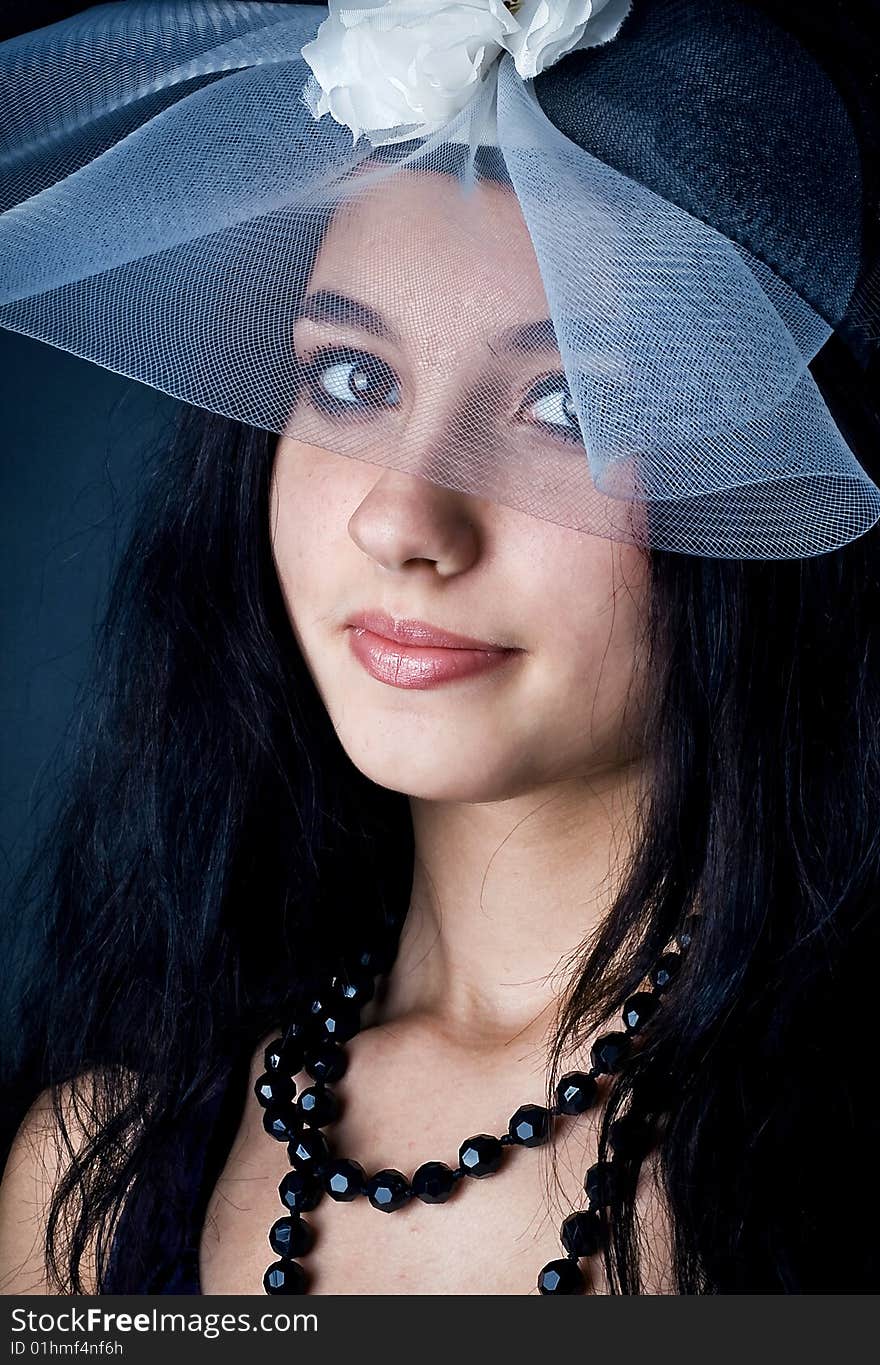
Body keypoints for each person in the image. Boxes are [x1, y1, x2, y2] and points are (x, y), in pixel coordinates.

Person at [0, 0, 878, 1296]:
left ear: (768, 478)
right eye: (352, 377)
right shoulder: (91, 1175)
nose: (402, 515)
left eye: (565, 400)